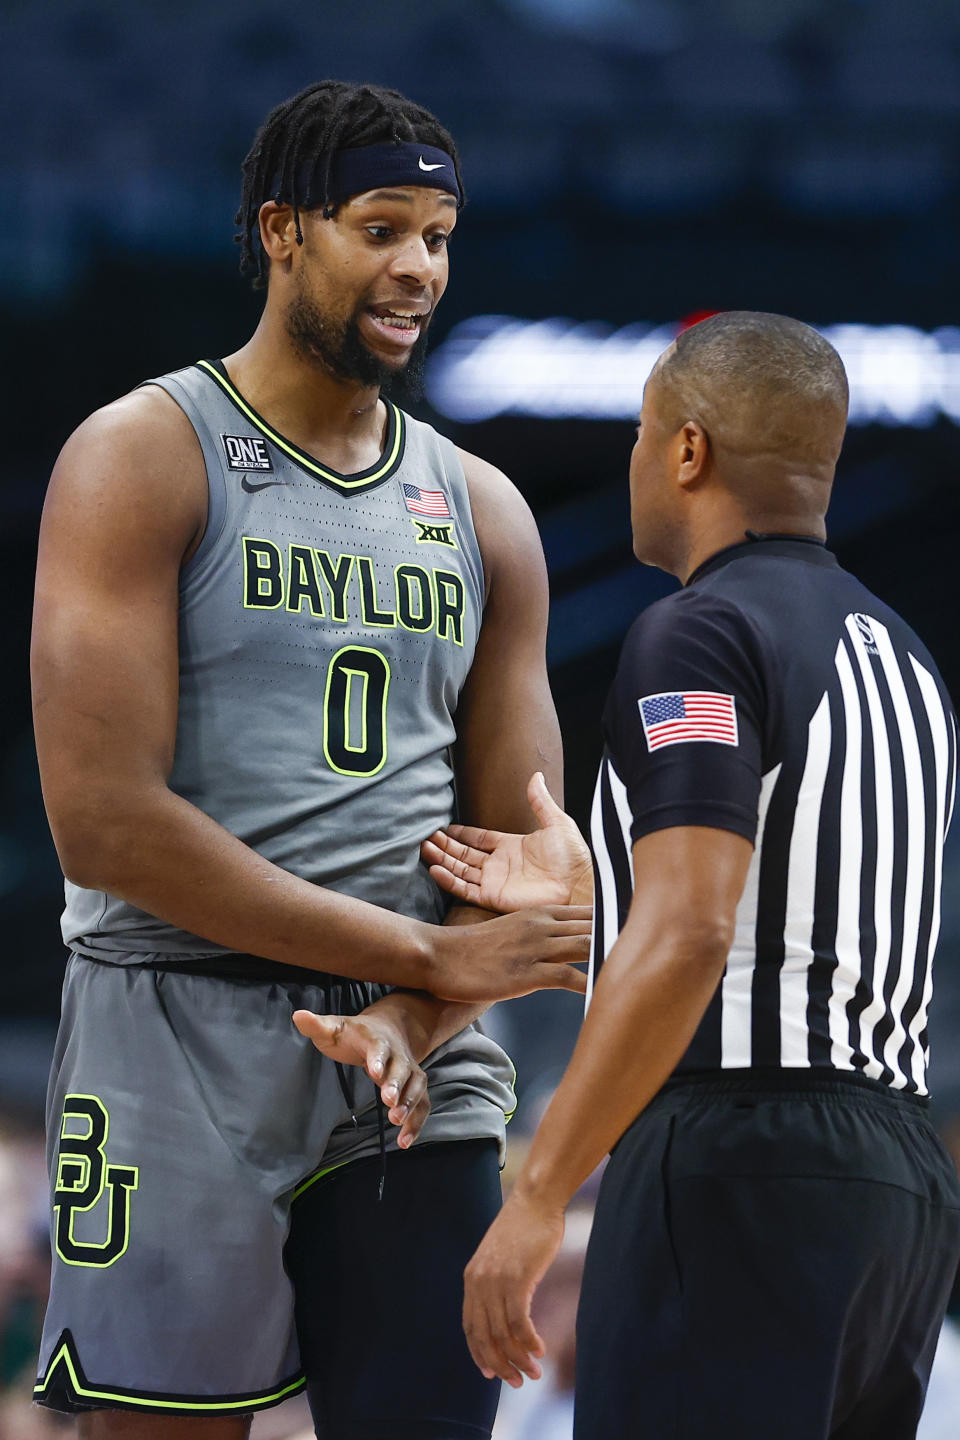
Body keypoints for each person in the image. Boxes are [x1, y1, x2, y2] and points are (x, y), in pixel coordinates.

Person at [30, 80, 591, 1440]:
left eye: (441, 235)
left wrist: (422, 998)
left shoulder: (483, 510)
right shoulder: (144, 452)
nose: (420, 267)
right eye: (383, 226)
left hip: (419, 1066)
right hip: (174, 1023)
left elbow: (520, 854)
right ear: (283, 232)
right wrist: (431, 958)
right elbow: (105, 823)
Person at [427, 312, 960, 1439]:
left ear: (687, 450)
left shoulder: (699, 632)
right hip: (899, 1182)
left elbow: (694, 935)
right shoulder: (904, 656)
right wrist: (599, 896)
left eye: (638, 431)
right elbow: (799, 923)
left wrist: (536, 1198)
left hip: (736, 1164)